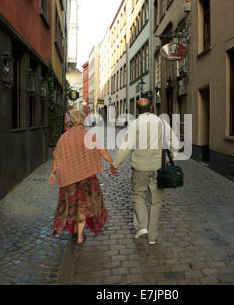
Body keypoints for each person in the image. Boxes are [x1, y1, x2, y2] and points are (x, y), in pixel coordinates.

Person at [111, 98, 179, 245]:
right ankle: (152, 237)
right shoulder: (162, 123)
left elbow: (126, 147)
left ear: (137, 110)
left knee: (137, 196)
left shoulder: (134, 124)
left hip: (140, 168)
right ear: (152, 108)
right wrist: (170, 158)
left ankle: (142, 226)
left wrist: (116, 164)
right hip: (158, 167)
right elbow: (175, 144)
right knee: (156, 202)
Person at [49, 110, 115, 245]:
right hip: (87, 177)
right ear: (83, 120)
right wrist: (112, 164)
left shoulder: (64, 137)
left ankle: (75, 231)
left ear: (71, 121)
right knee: (83, 206)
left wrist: (53, 173)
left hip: (70, 178)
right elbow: (102, 151)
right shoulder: (89, 136)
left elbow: (57, 157)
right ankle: (79, 236)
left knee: (73, 204)